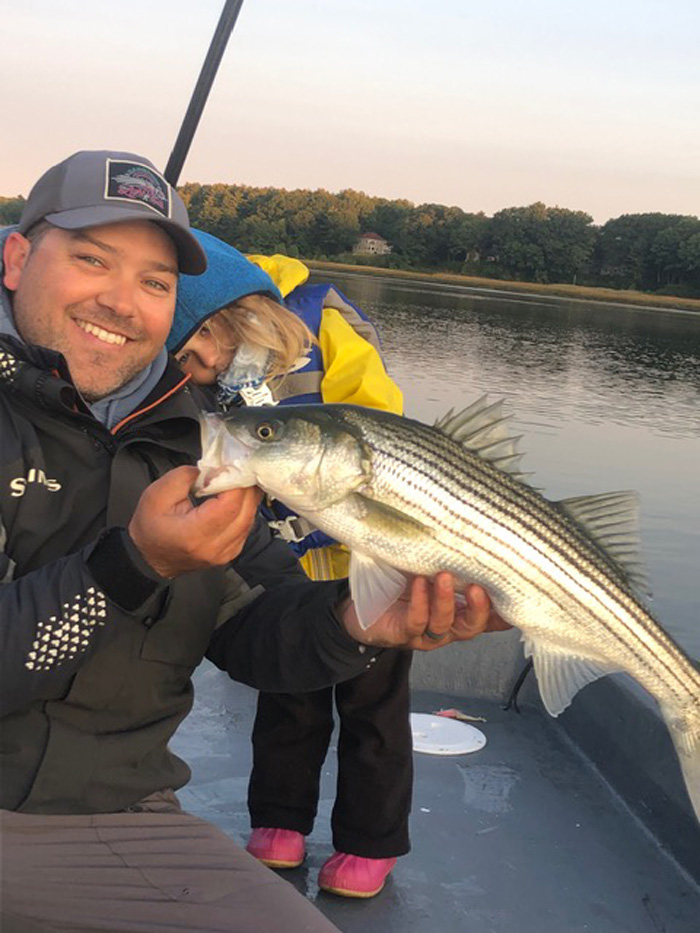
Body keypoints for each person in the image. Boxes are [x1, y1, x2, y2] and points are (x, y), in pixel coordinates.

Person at [0, 149, 508, 933]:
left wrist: (360, 624)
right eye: (91, 258)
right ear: (17, 257)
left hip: (125, 818)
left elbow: (253, 629)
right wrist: (131, 564)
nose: (121, 300)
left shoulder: (193, 445)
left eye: (156, 282)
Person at [169, 231, 412, 898]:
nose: (192, 368)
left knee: (376, 712)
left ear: (229, 320)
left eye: (196, 351)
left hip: (370, 555)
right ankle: (279, 821)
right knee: (287, 700)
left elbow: (379, 422)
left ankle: (372, 839)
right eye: (180, 357)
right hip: (280, 564)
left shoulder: (323, 322)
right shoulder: (195, 377)